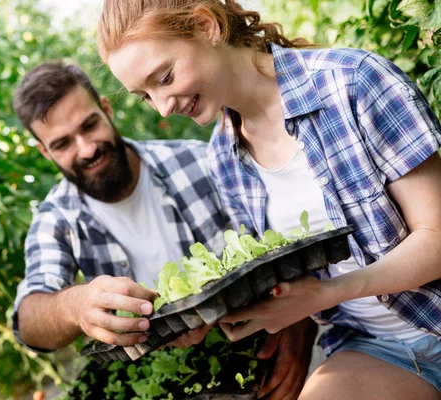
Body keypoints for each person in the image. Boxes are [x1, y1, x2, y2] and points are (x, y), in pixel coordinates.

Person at [98, 1, 441, 399]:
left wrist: (330, 293)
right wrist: (205, 312)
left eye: (165, 77)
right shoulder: (225, 157)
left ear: (207, 26)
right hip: (376, 346)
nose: (163, 106)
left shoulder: (353, 82)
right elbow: (294, 273)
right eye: (145, 96)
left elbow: (436, 237)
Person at [12, 60, 317, 399]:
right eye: (62, 144)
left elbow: (285, 242)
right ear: (44, 152)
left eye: (89, 125)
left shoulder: (200, 162)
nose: (86, 148)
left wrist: (299, 325)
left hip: (258, 352)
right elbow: (29, 318)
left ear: (106, 109)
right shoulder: (56, 220)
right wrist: (74, 306)